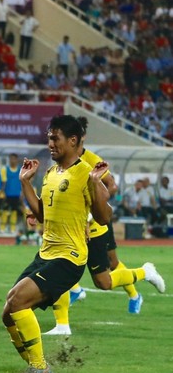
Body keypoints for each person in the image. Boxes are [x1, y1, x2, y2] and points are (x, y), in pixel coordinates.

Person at [3, 115, 112, 373]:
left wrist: (97, 185)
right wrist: (25, 182)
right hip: (47, 253)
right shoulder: (52, 173)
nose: (50, 143)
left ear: (72, 141)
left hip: (69, 257)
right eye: (49, 137)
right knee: (8, 313)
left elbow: (103, 217)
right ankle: (36, 366)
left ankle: (39, 370)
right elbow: (41, 214)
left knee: (17, 302)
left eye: (55, 138)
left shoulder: (85, 173)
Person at [46, 122, 166, 334]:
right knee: (58, 267)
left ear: (76, 139)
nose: (55, 143)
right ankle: (62, 324)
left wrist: (92, 214)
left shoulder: (90, 161)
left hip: (95, 227)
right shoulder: (60, 163)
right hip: (71, 229)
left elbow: (110, 185)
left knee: (105, 278)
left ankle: (143, 274)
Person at [2, 153, 23, 233]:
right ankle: (3, 228)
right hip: (7, 194)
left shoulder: (20, 170)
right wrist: (3, 193)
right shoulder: (5, 169)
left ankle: (12, 228)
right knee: (5, 211)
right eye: (11, 159)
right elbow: (3, 182)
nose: (12, 160)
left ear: (16, 160)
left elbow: (22, 182)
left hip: (16, 194)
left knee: (14, 211)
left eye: (14, 159)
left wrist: (22, 193)